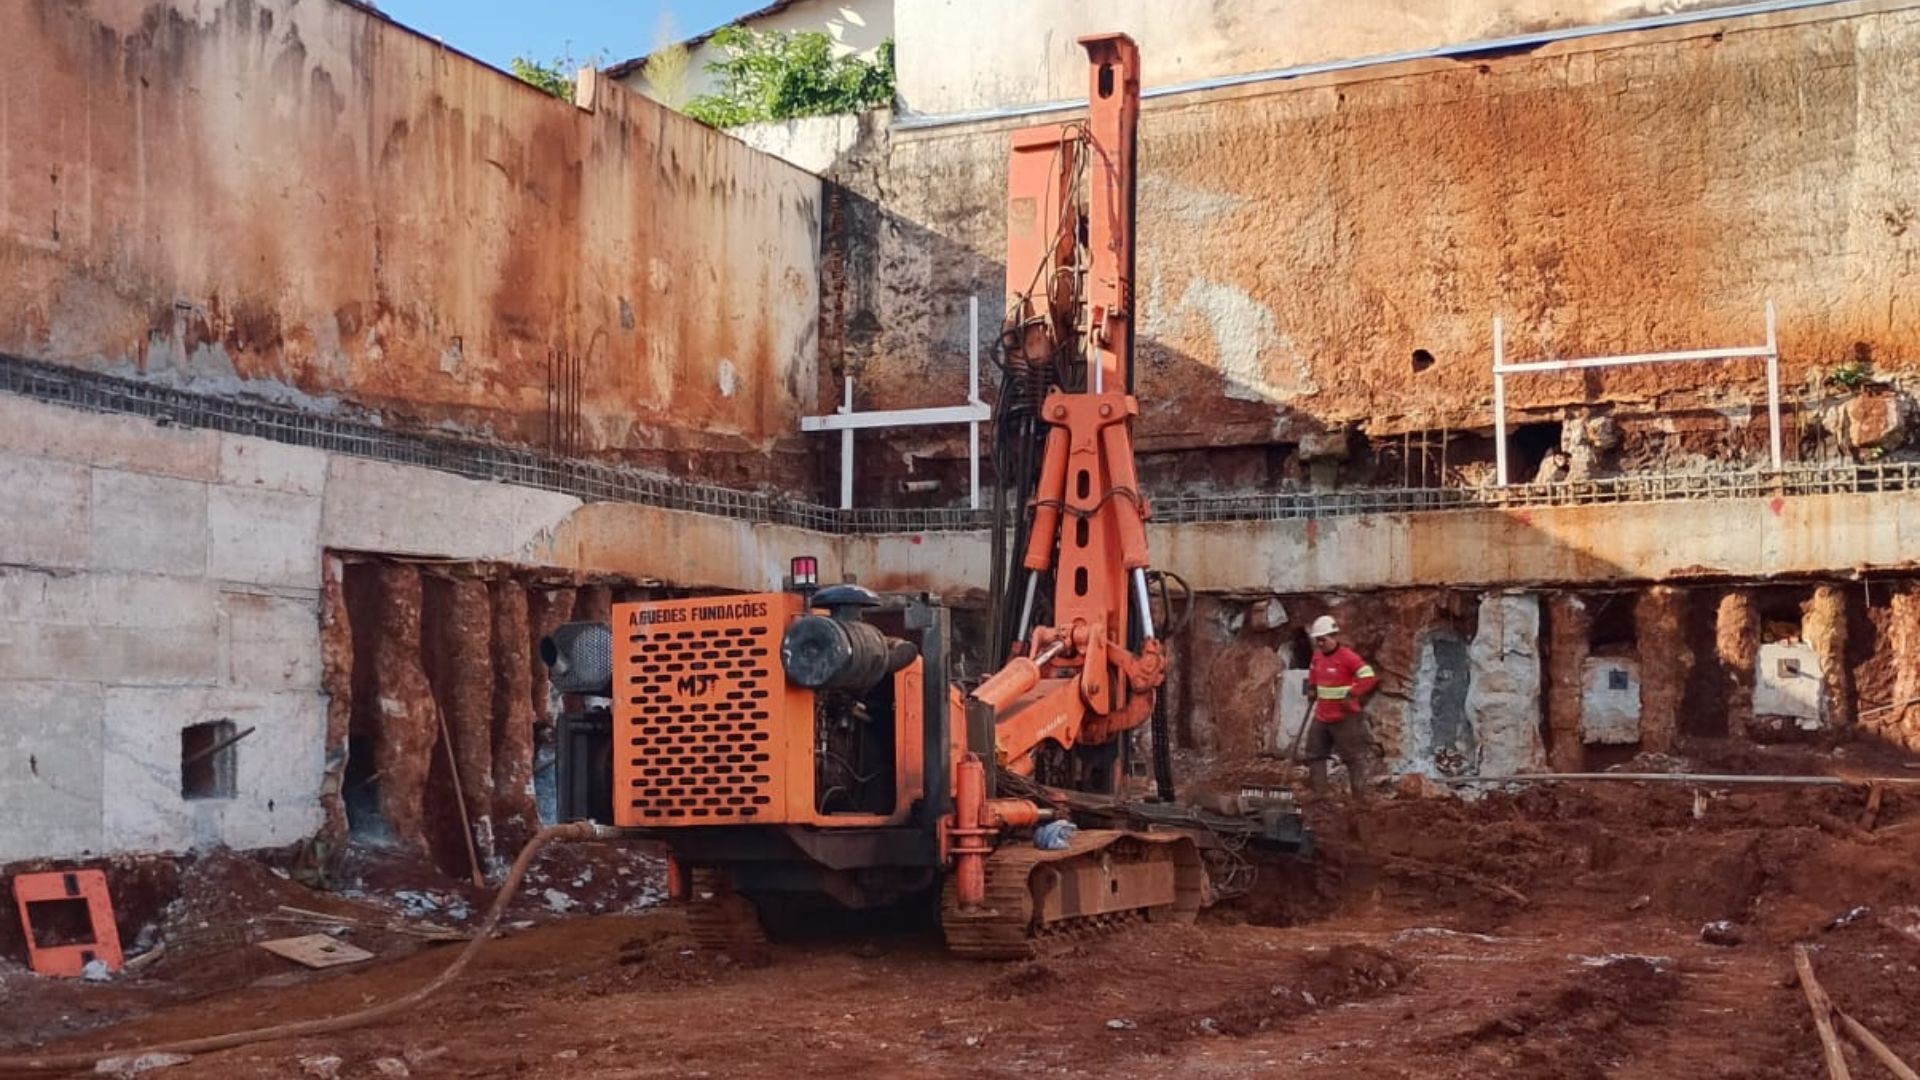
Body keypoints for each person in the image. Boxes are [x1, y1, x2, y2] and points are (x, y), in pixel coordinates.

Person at [1302, 615, 1379, 798]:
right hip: (1322, 715)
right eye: (1317, 640)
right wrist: (1311, 688)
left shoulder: (1347, 657)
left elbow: (1369, 676)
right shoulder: (1317, 656)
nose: (1319, 644)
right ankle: (1320, 794)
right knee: (1314, 753)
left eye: (1323, 640)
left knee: (1352, 756)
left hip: (1345, 716)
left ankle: (1360, 797)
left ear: (1333, 636)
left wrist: (1352, 693)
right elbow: (1313, 673)